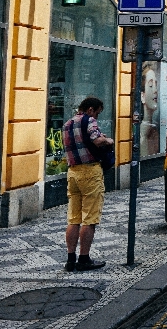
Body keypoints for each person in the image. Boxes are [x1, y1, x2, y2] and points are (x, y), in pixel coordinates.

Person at [63, 96, 114, 272]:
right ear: (91, 109)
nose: (97, 117)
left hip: (73, 172)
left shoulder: (68, 123)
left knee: (74, 218)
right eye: (98, 112)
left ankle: (70, 259)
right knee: (89, 218)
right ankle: (84, 258)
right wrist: (109, 141)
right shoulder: (89, 120)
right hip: (90, 172)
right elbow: (97, 141)